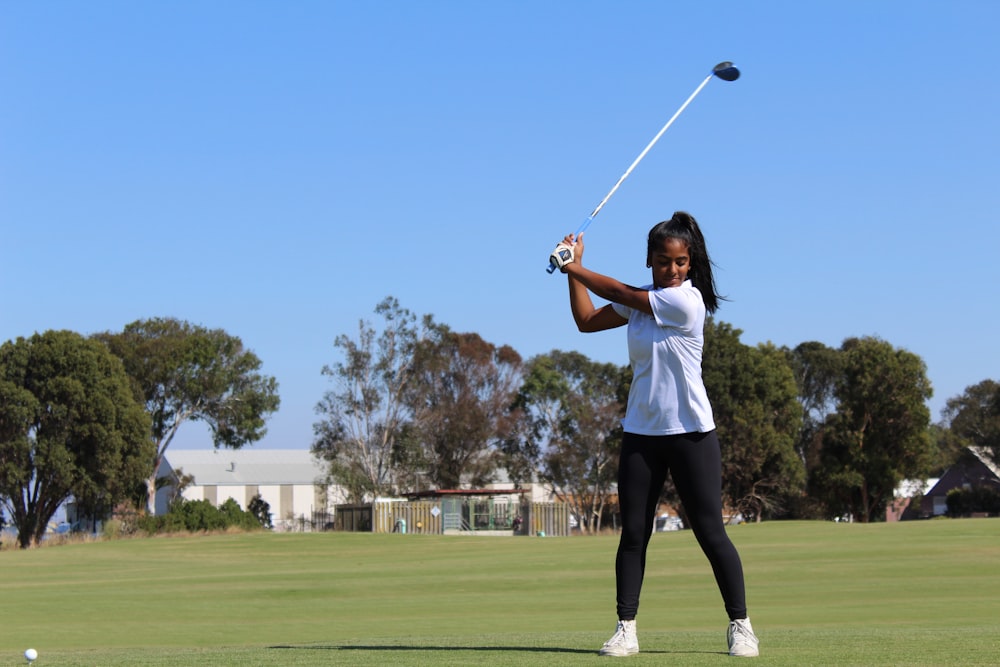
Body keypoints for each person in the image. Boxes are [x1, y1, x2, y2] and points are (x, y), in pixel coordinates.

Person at [549, 211, 759, 658]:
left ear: (690, 264)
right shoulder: (641, 299)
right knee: (634, 534)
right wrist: (574, 272)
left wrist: (574, 265)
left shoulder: (688, 301)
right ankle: (626, 628)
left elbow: (619, 291)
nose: (673, 270)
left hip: (691, 433)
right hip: (641, 433)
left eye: (681, 262)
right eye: (664, 261)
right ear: (650, 259)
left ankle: (741, 625)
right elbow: (586, 321)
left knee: (709, 531)